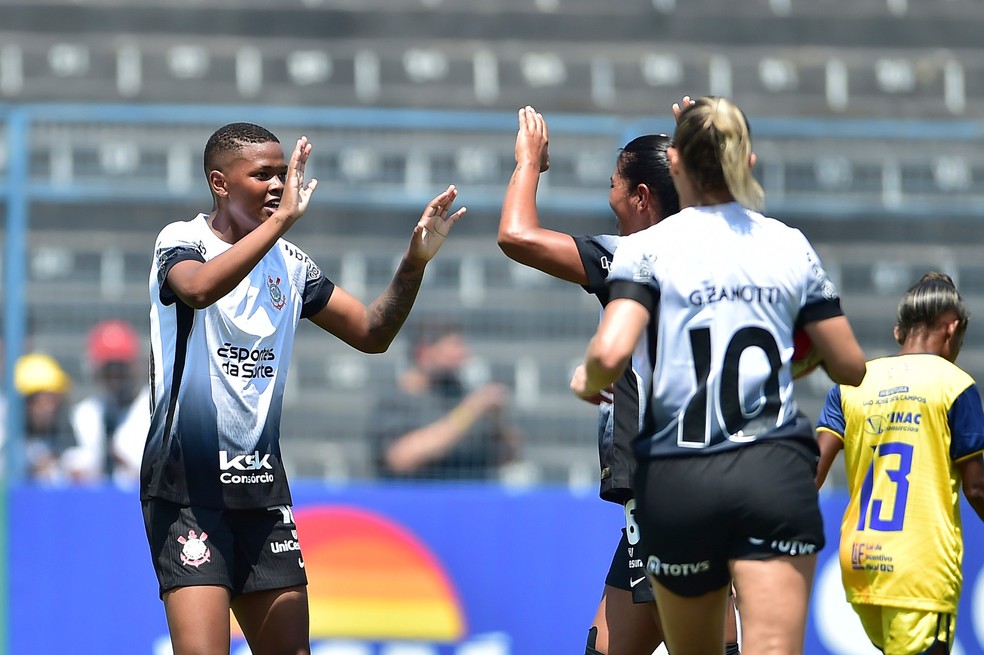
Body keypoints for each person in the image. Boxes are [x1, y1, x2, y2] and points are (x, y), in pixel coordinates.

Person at [141, 121, 465, 655]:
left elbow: (372, 333)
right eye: (262, 175)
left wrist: (414, 264)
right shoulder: (181, 240)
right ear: (220, 183)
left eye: (282, 173)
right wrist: (282, 221)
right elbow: (197, 290)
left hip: (261, 489)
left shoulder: (291, 266)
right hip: (186, 490)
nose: (277, 185)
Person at [570, 96, 867, 655]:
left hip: (683, 481)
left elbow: (608, 356)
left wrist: (586, 381)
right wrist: (791, 358)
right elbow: (850, 365)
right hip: (773, 475)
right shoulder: (789, 244)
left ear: (675, 163)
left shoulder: (646, 249)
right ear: (748, 161)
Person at [499, 105, 741, 655]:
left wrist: (528, 161)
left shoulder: (634, 255)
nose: (609, 199)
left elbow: (515, 235)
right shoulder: (724, 259)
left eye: (614, 186)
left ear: (641, 197)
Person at [815, 272, 984, 655]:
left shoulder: (851, 384)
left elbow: (812, 472)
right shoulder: (955, 385)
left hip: (861, 563)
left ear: (899, 332)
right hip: (919, 567)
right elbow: (976, 487)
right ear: (952, 327)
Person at [369, 320, 521, 481]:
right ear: (424, 352)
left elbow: (508, 457)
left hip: (470, 493)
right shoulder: (394, 400)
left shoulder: (460, 394)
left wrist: (498, 421)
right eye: (455, 346)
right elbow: (400, 459)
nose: (464, 354)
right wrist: (468, 411)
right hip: (415, 495)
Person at [67, 319, 150, 486]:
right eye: (108, 371)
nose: (115, 379)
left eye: (121, 369)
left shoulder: (156, 409)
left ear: (135, 367)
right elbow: (73, 465)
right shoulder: (84, 414)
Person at [14, 352, 76, 483]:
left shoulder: (66, 436)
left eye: (55, 399)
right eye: (45, 399)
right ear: (26, 402)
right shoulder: (6, 440)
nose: (51, 407)